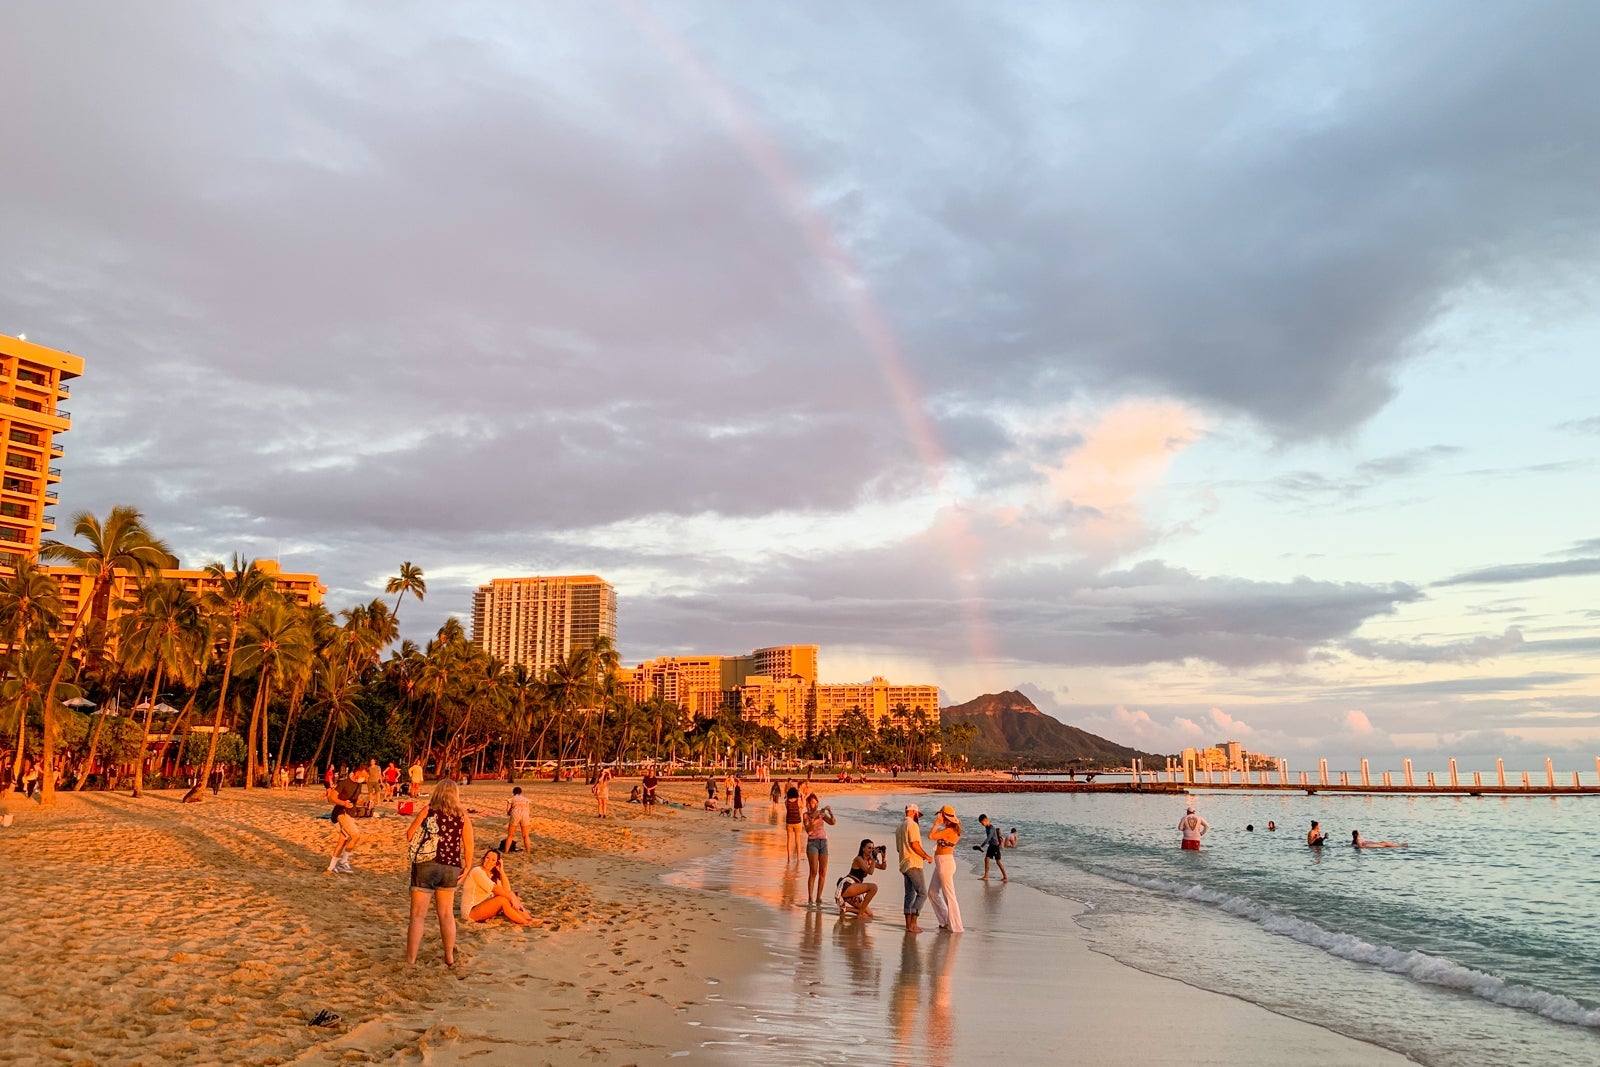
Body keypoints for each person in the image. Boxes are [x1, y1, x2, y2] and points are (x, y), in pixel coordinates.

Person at [405, 778, 471, 966]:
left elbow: (410, 835)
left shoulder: (428, 811)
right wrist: (467, 866)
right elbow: (468, 844)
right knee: (446, 914)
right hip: (450, 866)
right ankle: (449, 957)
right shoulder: (463, 815)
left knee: (418, 915)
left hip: (426, 864)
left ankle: (411, 960)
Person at [461, 848, 542, 926]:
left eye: (493, 860)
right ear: (484, 859)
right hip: (470, 912)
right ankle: (525, 922)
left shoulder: (491, 874)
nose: (489, 861)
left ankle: (529, 918)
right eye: (487, 858)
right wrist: (511, 898)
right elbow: (495, 889)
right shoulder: (477, 871)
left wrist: (501, 871)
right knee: (502, 899)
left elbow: (507, 890)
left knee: (509, 894)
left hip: (483, 907)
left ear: (496, 863)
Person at [894, 804, 932, 933]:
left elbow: (898, 849)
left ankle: (908, 925)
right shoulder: (913, 825)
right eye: (917, 814)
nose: (918, 817)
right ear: (914, 812)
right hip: (913, 863)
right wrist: (926, 856)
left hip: (903, 863)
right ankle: (914, 924)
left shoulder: (899, 827)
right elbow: (914, 844)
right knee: (922, 893)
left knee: (909, 895)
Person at [927, 805, 964, 933]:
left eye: (941, 816)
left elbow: (931, 836)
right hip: (941, 863)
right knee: (932, 892)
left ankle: (956, 927)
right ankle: (945, 921)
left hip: (945, 863)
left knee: (949, 896)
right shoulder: (949, 829)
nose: (940, 818)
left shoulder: (950, 831)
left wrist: (937, 823)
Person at [325, 766, 368, 873]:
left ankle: (331, 867)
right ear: (357, 773)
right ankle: (343, 862)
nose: (364, 779)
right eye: (363, 776)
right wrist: (343, 803)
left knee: (343, 840)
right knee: (355, 835)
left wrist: (365, 804)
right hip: (341, 812)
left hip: (350, 814)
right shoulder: (344, 783)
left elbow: (356, 799)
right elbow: (332, 797)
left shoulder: (358, 785)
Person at [837, 838, 886, 917]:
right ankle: (859, 914)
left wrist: (883, 857)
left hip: (855, 890)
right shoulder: (858, 859)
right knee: (874, 887)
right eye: (869, 848)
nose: (871, 850)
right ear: (863, 849)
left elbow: (883, 867)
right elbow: (870, 872)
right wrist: (874, 858)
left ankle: (846, 909)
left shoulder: (869, 860)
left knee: (869, 915)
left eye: (873, 848)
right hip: (847, 887)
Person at [802, 794, 837, 906]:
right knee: (813, 872)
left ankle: (818, 897)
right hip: (812, 843)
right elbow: (809, 830)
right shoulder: (806, 815)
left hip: (823, 842)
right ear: (808, 804)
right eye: (812, 802)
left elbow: (832, 822)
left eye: (816, 802)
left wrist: (829, 812)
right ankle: (810, 897)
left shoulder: (821, 814)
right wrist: (816, 819)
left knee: (823, 872)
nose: (815, 804)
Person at [977, 814, 1007, 882]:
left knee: (998, 862)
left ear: (986, 820)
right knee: (986, 859)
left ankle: (1005, 877)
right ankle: (986, 876)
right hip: (991, 846)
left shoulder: (991, 828)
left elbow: (988, 838)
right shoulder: (986, 827)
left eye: (982, 823)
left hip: (995, 846)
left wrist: (981, 846)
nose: (982, 824)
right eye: (981, 823)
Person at [503, 786, 533, 853]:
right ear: (520, 792)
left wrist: (510, 813)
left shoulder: (511, 799)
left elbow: (508, 811)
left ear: (513, 792)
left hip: (515, 813)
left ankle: (506, 851)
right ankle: (528, 851)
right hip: (525, 814)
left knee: (510, 835)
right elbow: (528, 810)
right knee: (526, 836)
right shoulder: (525, 799)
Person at [784, 786, 804, 861]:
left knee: (789, 840)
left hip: (789, 822)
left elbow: (788, 809)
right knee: (797, 840)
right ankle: (798, 857)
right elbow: (802, 806)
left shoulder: (786, 802)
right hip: (797, 822)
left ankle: (789, 857)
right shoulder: (798, 801)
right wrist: (803, 798)